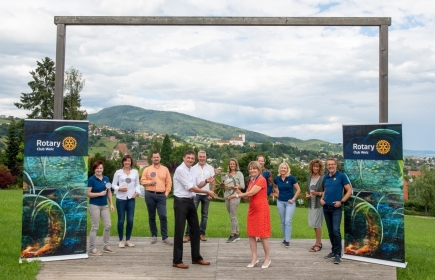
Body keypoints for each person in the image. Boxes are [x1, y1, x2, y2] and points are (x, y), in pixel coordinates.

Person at [172, 150, 217, 269]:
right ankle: (177, 260)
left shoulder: (192, 170)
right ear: (184, 158)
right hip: (181, 202)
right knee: (179, 230)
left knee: (196, 230)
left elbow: (198, 185)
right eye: (188, 158)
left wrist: (207, 181)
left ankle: (196, 258)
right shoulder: (180, 170)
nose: (190, 160)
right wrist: (207, 191)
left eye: (192, 158)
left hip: (190, 201)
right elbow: (191, 188)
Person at [228, 161, 271, 269]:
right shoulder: (251, 180)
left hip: (261, 208)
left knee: (262, 234)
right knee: (251, 234)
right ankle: (254, 258)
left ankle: (267, 258)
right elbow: (247, 197)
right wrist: (237, 190)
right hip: (252, 208)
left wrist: (237, 195)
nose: (252, 170)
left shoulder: (261, 179)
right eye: (250, 169)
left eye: (254, 169)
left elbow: (251, 193)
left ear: (258, 169)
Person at [320, 158, 352, 265]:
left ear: (336, 165)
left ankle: (338, 254)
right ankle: (333, 251)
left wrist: (341, 201)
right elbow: (325, 190)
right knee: (330, 231)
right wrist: (322, 199)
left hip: (336, 208)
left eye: (332, 164)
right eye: (329, 164)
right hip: (326, 208)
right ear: (327, 166)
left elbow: (349, 190)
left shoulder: (341, 176)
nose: (330, 166)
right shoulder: (325, 177)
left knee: (336, 230)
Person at [140, 151, 172, 245]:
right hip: (149, 194)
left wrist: (166, 193)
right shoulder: (147, 169)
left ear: (160, 158)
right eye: (154, 157)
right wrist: (149, 182)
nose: (156, 159)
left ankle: (165, 237)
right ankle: (154, 235)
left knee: (163, 216)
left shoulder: (165, 169)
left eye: (157, 157)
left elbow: (169, 182)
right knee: (152, 216)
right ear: (151, 159)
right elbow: (142, 181)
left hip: (161, 195)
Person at [183, 150, 215, 242]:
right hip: (196, 194)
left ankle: (202, 234)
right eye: (200, 156)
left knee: (204, 215)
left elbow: (213, 182)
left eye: (203, 157)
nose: (202, 158)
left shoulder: (210, 168)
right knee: (191, 214)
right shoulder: (193, 168)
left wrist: (211, 192)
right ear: (198, 157)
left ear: (206, 157)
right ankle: (188, 235)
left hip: (206, 194)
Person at [112, 155, 141, 248]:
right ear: (123, 162)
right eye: (125, 161)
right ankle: (121, 240)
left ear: (131, 162)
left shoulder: (135, 172)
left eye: (129, 161)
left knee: (130, 220)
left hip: (131, 199)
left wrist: (137, 193)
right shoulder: (118, 172)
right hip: (120, 199)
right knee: (121, 220)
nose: (127, 162)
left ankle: (128, 240)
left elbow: (137, 184)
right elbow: (113, 185)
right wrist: (119, 188)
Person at [87, 160, 115, 255]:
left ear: (103, 169)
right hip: (94, 205)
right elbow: (88, 193)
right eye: (97, 168)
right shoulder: (91, 179)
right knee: (95, 227)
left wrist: (111, 204)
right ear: (94, 169)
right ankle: (92, 248)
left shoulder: (106, 179)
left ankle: (106, 246)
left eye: (101, 168)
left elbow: (109, 192)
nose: (99, 170)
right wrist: (99, 194)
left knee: (108, 225)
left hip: (104, 206)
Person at [273, 162, 301, 248]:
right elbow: (274, 186)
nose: (283, 169)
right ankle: (285, 239)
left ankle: (287, 240)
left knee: (287, 221)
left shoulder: (291, 178)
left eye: (285, 168)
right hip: (280, 202)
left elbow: (298, 190)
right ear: (279, 169)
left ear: (287, 169)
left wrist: (293, 199)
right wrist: (278, 193)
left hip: (290, 203)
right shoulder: (277, 178)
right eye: (282, 168)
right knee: (282, 221)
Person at [223, 158, 245, 243]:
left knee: (232, 215)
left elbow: (242, 186)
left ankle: (232, 235)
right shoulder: (225, 174)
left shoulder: (239, 174)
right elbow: (222, 184)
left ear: (236, 165)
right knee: (232, 215)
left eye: (233, 164)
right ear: (229, 165)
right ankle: (237, 233)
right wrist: (226, 186)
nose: (232, 165)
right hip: (227, 196)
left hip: (235, 196)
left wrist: (234, 187)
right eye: (231, 164)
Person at [305, 159, 325, 252]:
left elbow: (326, 192)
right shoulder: (309, 178)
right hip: (311, 204)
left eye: (317, 166)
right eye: (314, 166)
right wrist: (307, 195)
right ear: (311, 167)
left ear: (320, 168)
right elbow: (307, 190)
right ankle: (318, 242)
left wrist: (318, 193)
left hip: (318, 205)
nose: (315, 168)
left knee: (317, 224)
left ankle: (318, 244)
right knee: (314, 224)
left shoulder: (322, 178)